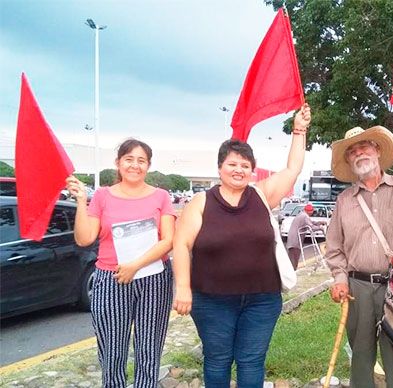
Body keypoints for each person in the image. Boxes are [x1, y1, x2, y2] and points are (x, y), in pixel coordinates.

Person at [171, 104, 311, 387]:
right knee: (217, 361)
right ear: (220, 168)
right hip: (211, 301)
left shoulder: (261, 195)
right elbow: (181, 244)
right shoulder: (201, 202)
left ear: (252, 170)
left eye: (245, 165)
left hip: (262, 300)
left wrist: (299, 129)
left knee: (251, 362)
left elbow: (293, 168)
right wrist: (183, 288)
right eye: (232, 164)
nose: (238, 170)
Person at [325, 121, 393, 387]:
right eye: (352, 152)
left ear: (376, 150)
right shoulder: (345, 200)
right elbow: (334, 246)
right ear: (349, 162)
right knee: (361, 356)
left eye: (364, 146)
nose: (359, 153)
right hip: (358, 287)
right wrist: (340, 278)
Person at [65, 138, 176, 387]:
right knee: (112, 352)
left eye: (141, 161)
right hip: (111, 279)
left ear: (148, 165)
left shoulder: (161, 197)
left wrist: (135, 266)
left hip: (153, 279)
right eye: (129, 159)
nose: (134, 165)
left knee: (149, 349)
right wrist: (82, 201)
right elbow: (84, 239)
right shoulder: (103, 196)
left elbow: (168, 240)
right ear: (118, 163)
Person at [286, 203, 326, 269]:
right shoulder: (305, 216)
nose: (312, 213)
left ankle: (291, 271)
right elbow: (312, 227)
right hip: (295, 241)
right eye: (312, 212)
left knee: (292, 258)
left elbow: (311, 222)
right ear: (309, 211)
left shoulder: (302, 214)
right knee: (294, 259)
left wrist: (319, 222)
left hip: (292, 240)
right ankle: (292, 272)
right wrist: (321, 228)